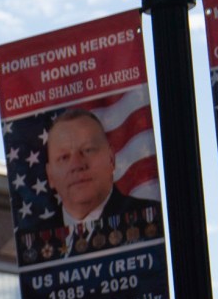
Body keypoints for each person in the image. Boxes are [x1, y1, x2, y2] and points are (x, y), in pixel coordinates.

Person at [18, 108, 160, 263]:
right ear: (50, 175)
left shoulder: (150, 218)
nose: (77, 165)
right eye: (64, 157)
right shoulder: (32, 243)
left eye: (88, 150)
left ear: (111, 159)